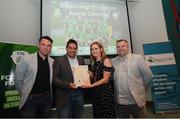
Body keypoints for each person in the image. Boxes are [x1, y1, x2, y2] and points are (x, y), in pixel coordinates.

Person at [112, 39, 153, 118]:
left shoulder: (137, 58)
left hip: (136, 101)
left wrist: (139, 86)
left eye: (123, 46)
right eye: (118, 47)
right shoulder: (113, 61)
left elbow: (149, 76)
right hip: (120, 102)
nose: (120, 48)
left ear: (128, 47)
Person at [14, 36, 54, 118]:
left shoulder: (52, 61)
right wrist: (25, 94)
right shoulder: (27, 59)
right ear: (38, 45)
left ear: (51, 48)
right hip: (30, 100)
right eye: (43, 44)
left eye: (48, 45)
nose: (45, 47)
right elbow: (18, 79)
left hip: (46, 99)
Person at [81, 41, 116, 118]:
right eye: (92, 49)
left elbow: (105, 79)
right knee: (98, 114)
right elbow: (98, 77)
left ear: (101, 49)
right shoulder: (94, 62)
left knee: (107, 114)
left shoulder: (106, 61)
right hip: (96, 93)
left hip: (105, 93)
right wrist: (91, 74)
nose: (94, 51)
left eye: (96, 48)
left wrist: (91, 86)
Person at [53, 39, 85, 118]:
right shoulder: (58, 60)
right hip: (64, 95)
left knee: (77, 116)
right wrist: (68, 85)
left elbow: (83, 75)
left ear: (77, 49)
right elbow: (54, 79)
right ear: (66, 48)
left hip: (79, 94)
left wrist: (88, 74)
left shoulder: (80, 59)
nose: (72, 50)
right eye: (70, 48)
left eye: (75, 48)